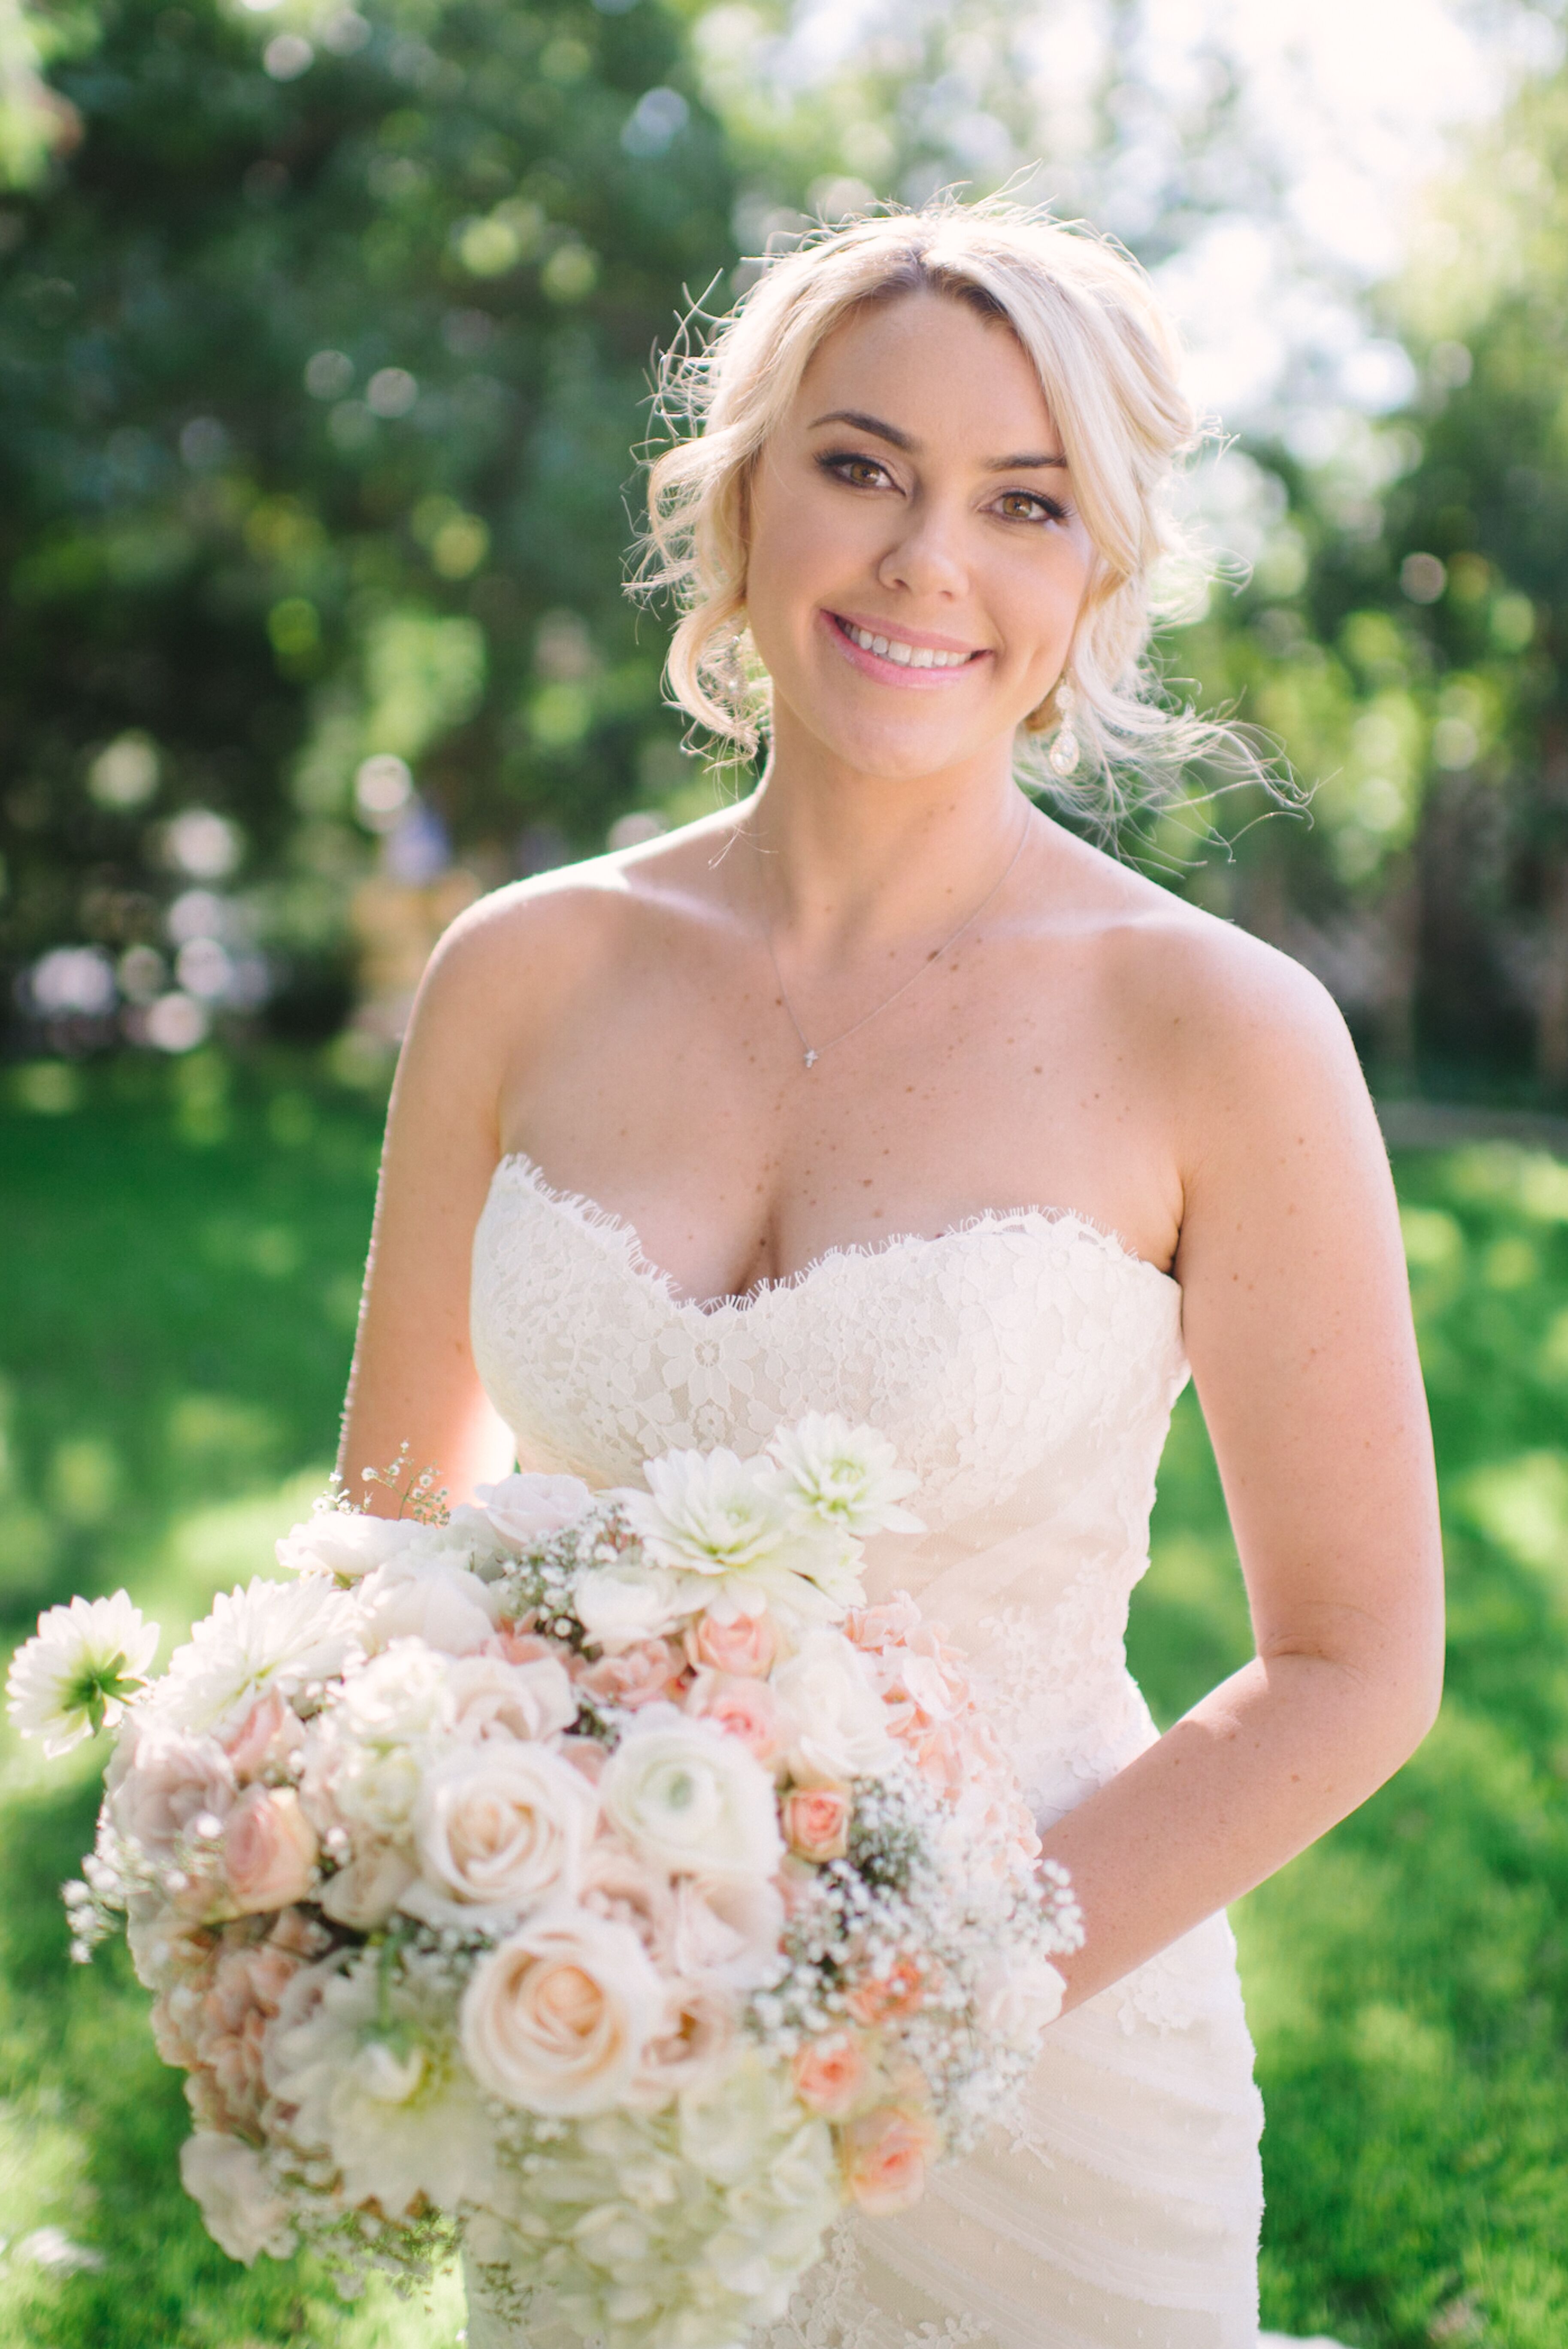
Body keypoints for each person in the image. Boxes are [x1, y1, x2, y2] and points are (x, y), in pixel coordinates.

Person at [337, 200, 1444, 2348]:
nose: (927, 559)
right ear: (741, 496)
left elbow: (1352, 1663)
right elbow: (388, 1535)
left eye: (1019, 502)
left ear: (1093, 574)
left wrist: (887, 2013)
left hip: (1043, 2066)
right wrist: (424, 1876)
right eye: (860, 466)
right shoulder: (520, 973)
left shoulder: (1215, 1028)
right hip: (597, 2035)